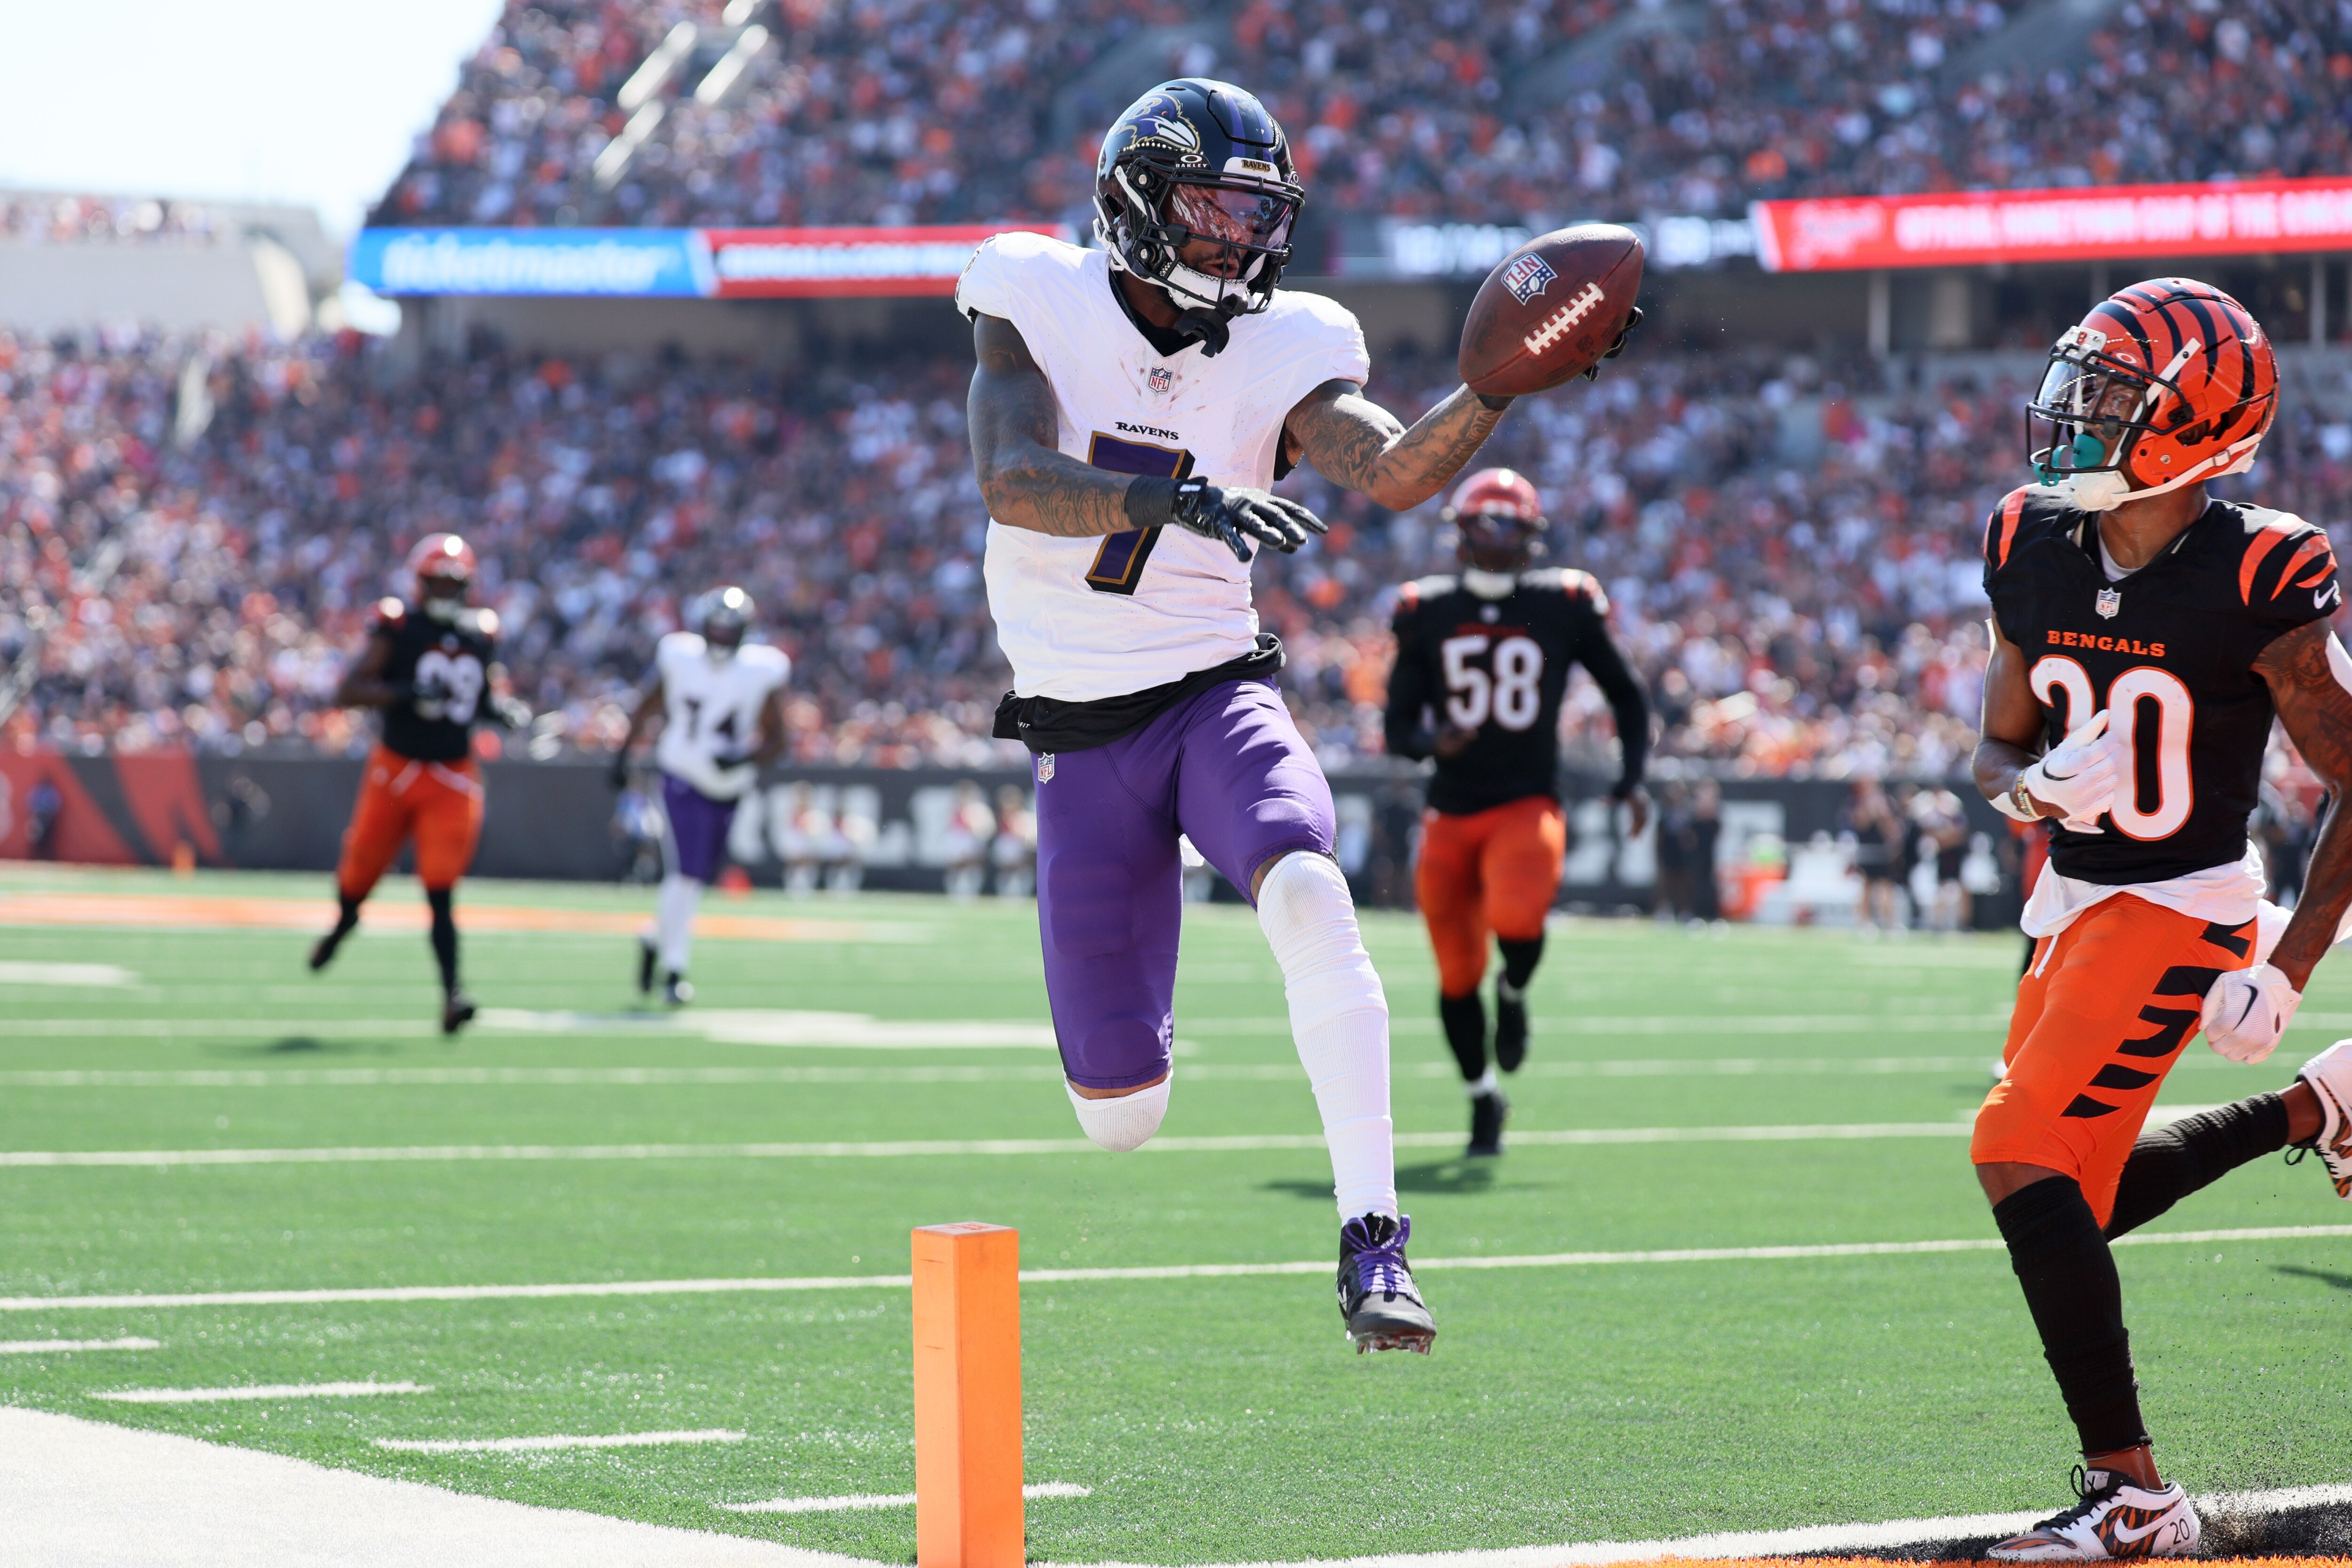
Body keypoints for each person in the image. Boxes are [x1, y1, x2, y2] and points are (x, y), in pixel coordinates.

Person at [956, 78, 1632, 1353]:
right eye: (1210, 206)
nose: (1237, 236)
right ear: (1135, 202)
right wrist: (1181, 503)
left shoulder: (1289, 344)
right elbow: (1012, 481)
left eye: (1255, 212)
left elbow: (1388, 468)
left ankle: (1375, 1241)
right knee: (1121, 1111)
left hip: (1214, 688)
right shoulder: (1029, 294)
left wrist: (1497, 390)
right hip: (1079, 731)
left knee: (1311, 886)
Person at [1971, 278, 2352, 1560]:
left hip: (2183, 901)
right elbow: (1995, 739)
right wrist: (2020, 783)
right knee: (2072, 1196)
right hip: (2068, 900)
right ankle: (2318, 1109)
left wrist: (2289, 964)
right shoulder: (2025, 536)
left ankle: (2135, 1494)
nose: (2071, 419)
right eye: (2077, 389)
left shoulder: (2258, 569)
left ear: (2201, 421)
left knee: (2015, 1145)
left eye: (2110, 399)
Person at [1383, 467, 1649, 1157]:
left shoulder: (1564, 602)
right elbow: (1397, 727)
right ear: (1463, 533)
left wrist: (1634, 776)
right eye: (1485, 524)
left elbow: (1626, 692)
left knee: (1517, 917)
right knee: (1453, 974)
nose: (1497, 540)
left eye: (1510, 526)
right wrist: (1426, 743)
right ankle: (1481, 1096)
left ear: (1532, 536)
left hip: (1526, 801)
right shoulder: (1425, 610)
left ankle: (1517, 985)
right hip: (1449, 809)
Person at [308, 534, 530, 1034]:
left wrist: (503, 712)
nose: (447, 591)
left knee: (441, 888)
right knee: (360, 872)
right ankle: (342, 926)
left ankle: (453, 995)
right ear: (421, 582)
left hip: (452, 774)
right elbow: (349, 690)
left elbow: (478, 698)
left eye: (455, 583)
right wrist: (406, 692)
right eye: (439, 581)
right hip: (395, 770)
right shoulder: (399, 626)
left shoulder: (480, 634)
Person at [610, 586, 788, 1006]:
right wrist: (622, 755)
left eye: (731, 631)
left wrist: (744, 761)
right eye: (717, 630)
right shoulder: (678, 656)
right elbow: (646, 705)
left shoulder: (762, 669)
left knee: (694, 878)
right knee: (685, 873)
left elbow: (779, 740)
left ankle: (654, 938)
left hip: (728, 787)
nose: (722, 638)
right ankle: (675, 971)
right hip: (682, 773)